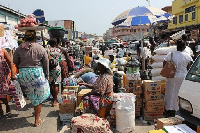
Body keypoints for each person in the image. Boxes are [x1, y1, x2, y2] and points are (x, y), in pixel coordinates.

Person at [13, 30, 50, 127]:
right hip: (37, 73)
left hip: (24, 74)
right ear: (35, 38)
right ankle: (37, 120)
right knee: (39, 97)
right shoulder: (40, 48)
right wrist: (47, 75)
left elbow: (15, 61)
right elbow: (46, 63)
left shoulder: (19, 48)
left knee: (32, 95)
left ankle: (36, 112)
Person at [164, 39, 193, 117]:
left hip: (171, 76)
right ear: (184, 47)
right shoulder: (187, 56)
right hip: (182, 76)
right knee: (178, 93)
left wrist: (168, 70)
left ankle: (168, 109)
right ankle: (177, 109)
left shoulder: (171, 54)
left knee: (169, 92)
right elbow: (189, 67)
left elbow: (164, 63)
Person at [0, 47, 15, 117]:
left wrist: (12, 73)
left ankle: (7, 106)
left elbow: (10, 62)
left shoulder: (2, 51)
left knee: (3, 95)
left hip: (2, 77)